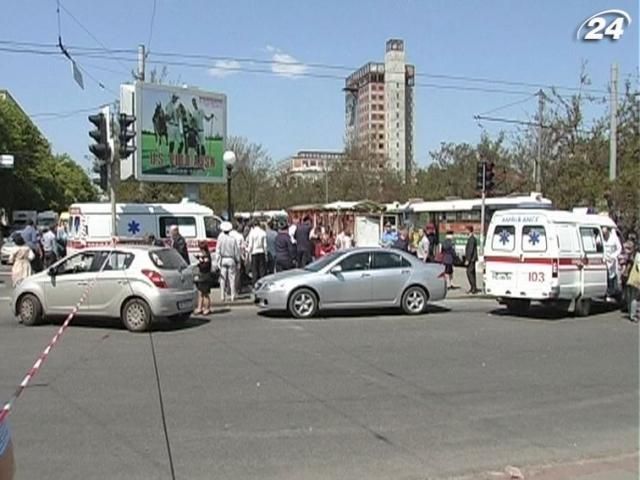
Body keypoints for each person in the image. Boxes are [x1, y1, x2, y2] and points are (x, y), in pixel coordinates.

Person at [216, 221, 241, 302]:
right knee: (232, 278)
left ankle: (222, 296)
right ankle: (232, 296)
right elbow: (236, 252)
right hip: (231, 259)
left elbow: (218, 251)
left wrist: (218, 261)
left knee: (223, 279)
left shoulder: (220, 239)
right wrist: (238, 261)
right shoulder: (233, 240)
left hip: (223, 259)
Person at [603, 226, 622, 301]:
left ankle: (611, 293)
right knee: (606, 276)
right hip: (604, 260)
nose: (605, 236)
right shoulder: (600, 237)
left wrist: (614, 256)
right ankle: (607, 293)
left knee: (612, 276)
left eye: (605, 234)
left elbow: (619, 248)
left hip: (612, 260)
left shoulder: (614, 238)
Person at [194, 240, 213, 315]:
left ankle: (207, 308)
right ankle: (199, 308)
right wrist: (199, 258)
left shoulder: (207, 256)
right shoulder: (204, 256)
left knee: (205, 294)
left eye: (201, 249)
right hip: (202, 276)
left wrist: (200, 263)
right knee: (200, 293)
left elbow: (205, 266)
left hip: (205, 276)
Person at [247, 220, 267, 286]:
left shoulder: (252, 233)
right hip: (261, 252)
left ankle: (255, 284)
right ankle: (263, 284)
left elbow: (250, 245)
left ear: (253, 225)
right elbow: (265, 245)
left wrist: (248, 252)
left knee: (254, 270)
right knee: (262, 270)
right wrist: (266, 254)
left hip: (254, 253)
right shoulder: (263, 232)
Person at [464, 226, 479, 294]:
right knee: (472, 273)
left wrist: (468, 259)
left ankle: (473, 288)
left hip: (471, 259)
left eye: (466, 230)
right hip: (472, 259)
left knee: (469, 273)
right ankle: (473, 288)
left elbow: (470, 250)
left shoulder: (471, 239)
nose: (465, 232)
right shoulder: (471, 238)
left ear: (469, 231)